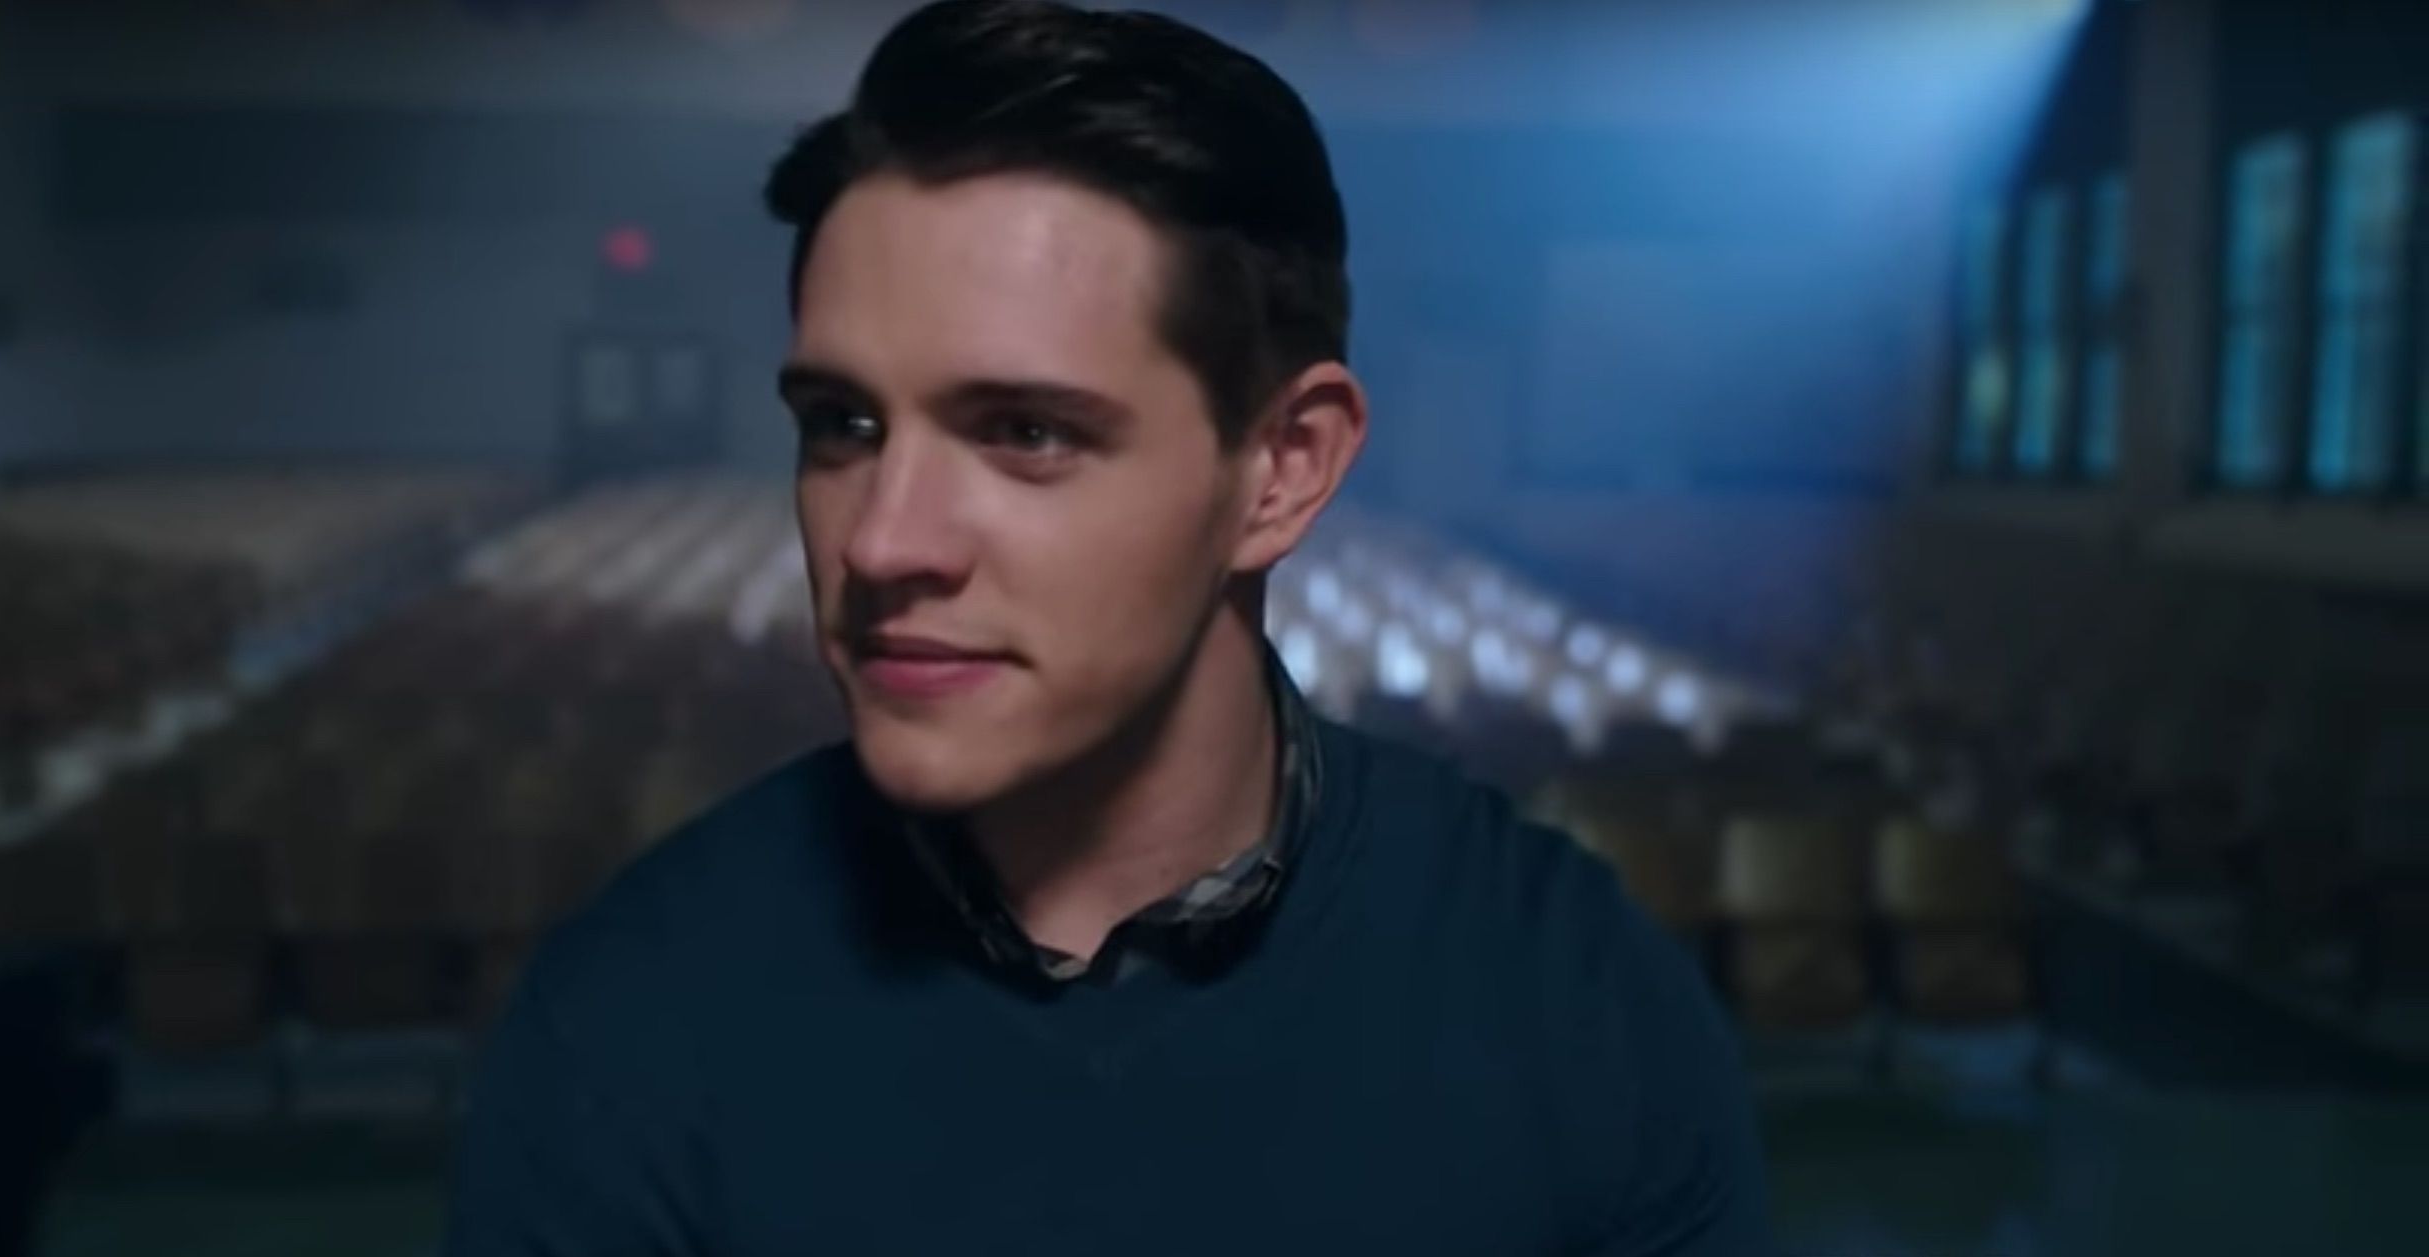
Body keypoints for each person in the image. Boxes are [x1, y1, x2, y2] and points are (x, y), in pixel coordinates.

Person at [445, 2, 1768, 1253]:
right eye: (843, 424)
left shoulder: (1573, 992)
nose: (882, 541)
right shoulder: (631, 1018)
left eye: (1027, 431)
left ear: (1281, 470)